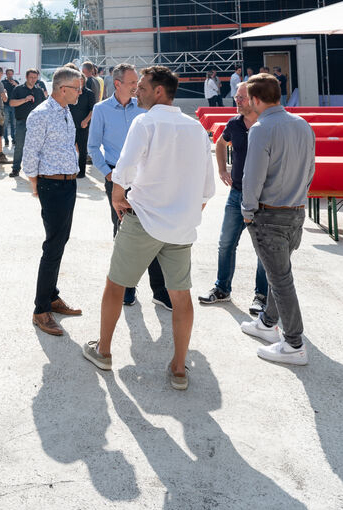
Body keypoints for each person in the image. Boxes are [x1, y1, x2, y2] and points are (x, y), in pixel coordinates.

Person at [82, 66, 214, 390]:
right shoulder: (196, 128)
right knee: (181, 297)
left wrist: (117, 196)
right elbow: (207, 190)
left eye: (141, 87)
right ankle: (179, 369)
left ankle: (104, 351)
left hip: (143, 220)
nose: (136, 91)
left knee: (115, 285)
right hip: (180, 229)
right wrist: (182, 213)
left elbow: (123, 170)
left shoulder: (145, 121)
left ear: (158, 91)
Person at [239, 73, 315, 366]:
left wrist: (247, 210)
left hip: (270, 213)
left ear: (256, 100)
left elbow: (253, 176)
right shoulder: (302, 124)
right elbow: (310, 170)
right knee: (278, 273)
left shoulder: (261, 128)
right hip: (296, 210)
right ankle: (267, 322)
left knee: (281, 279)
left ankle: (294, 343)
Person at [88, 62, 170, 311]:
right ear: (118, 84)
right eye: (133, 83)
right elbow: (93, 146)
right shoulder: (101, 109)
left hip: (146, 180)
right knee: (123, 234)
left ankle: (160, 291)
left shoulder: (145, 109)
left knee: (154, 232)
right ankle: (127, 288)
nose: (137, 87)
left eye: (138, 83)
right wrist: (109, 173)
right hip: (117, 181)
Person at [23, 66, 83, 336]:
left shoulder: (65, 110)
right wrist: (36, 186)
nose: (81, 92)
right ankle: (40, 309)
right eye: (77, 88)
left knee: (60, 242)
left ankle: (52, 295)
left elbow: (68, 144)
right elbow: (30, 152)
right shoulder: (41, 114)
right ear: (62, 89)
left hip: (68, 183)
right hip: (52, 185)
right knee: (52, 246)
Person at [199, 83, 268, 313]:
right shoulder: (234, 124)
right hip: (236, 193)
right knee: (226, 243)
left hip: (264, 196)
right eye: (236, 96)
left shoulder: (267, 124)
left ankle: (261, 296)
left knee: (263, 249)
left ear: (255, 98)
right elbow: (220, 142)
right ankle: (222, 289)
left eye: (241, 97)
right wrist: (222, 169)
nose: (236, 100)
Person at [9, 69, 47, 178]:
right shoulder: (18, 89)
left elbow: (44, 106)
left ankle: (36, 170)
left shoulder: (39, 91)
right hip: (22, 122)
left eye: (35, 78)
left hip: (37, 124)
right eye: (31, 77)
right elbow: (11, 103)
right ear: (26, 77)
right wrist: (25, 100)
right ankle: (16, 169)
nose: (33, 80)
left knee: (37, 147)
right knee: (19, 146)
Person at [67, 70, 94, 179]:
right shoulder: (72, 92)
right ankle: (70, 170)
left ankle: (81, 172)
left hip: (83, 126)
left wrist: (86, 121)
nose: (80, 82)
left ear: (84, 80)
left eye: (82, 80)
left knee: (82, 150)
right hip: (70, 125)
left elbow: (92, 110)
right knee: (69, 149)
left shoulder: (89, 94)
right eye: (78, 80)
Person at [3, 69, 19, 148]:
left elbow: (20, 91)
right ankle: (6, 139)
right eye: (9, 74)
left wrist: (16, 84)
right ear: (6, 74)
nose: (10, 75)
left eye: (11, 74)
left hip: (14, 106)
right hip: (5, 105)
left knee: (14, 124)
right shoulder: (3, 82)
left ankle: (14, 139)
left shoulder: (15, 82)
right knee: (5, 124)